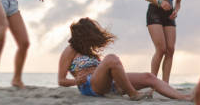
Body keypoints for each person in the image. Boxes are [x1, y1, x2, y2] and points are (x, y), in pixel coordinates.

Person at [58, 17, 191, 100]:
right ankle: (133, 94)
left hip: (107, 83)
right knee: (111, 59)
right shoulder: (70, 50)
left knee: (149, 77)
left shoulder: (90, 52)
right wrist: (76, 81)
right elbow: (61, 80)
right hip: (89, 86)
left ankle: (184, 97)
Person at [143, 0, 196, 83]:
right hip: (155, 12)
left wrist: (176, 10)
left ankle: (165, 84)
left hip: (169, 14)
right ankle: (153, 83)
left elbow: (178, 2)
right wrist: (160, 2)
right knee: (161, 49)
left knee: (170, 50)